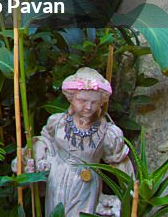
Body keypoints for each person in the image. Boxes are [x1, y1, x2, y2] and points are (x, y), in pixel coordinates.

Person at [15, 68, 133, 216]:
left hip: (86, 184)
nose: (88, 107)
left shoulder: (108, 133)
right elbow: (45, 140)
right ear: (71, 98)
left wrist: (130, 193)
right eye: (82, 101)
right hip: (56, 181)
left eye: (94, 102)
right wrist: (39, 153)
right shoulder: (58, 122)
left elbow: (119, 161)